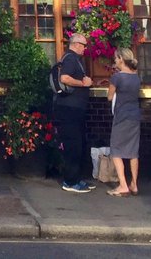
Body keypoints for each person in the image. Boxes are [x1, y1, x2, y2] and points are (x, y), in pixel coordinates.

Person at [54, 33, 95, 194]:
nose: (85, 49)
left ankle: (76, 179)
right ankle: (70, 181)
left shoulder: (72, 59)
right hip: (70, 108)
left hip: (73, 108)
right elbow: (64, 78)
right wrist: (83, 83)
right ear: (76, 44)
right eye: (84, 45)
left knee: (77, 144)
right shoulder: (70, 59)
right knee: (73, 144)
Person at [107, 47, 141, 196]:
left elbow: (109, 96)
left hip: (121, 116)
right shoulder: (137, 77)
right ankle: (134, 184)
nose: (115, 60)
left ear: (121, 58)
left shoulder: (117, 77)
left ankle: (123, 185)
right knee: (133, 151)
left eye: (116, 58)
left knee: (116, 150)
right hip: (135, 115)